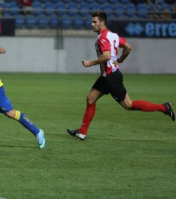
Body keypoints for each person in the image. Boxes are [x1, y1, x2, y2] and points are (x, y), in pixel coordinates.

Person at [67, 11, 175, 141]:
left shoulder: (102, 38)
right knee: (90, 99)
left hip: (111, 77)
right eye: (92, 22)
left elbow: (106, 56)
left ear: (102, 23)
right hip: (107, 76)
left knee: (129, 105)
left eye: (94, 22)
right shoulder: (113, 35)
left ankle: (164, 108)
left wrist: (90, 63)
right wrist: (121, 59)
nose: (92, 24)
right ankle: (82, 132)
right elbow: (128, 48)